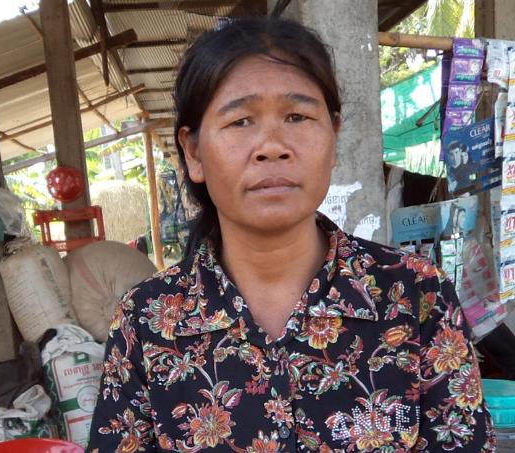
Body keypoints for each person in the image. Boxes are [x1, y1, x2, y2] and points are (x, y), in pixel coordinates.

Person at [88, 17, 495, 452]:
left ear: (334, 135)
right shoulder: (147, 321)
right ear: (193, 153)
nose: (272, 146)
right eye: (240, 121)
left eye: (297, 116)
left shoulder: (416, 294)